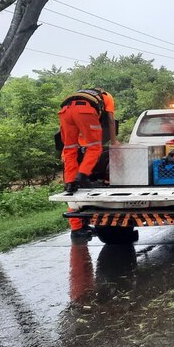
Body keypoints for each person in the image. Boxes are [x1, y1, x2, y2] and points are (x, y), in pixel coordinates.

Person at [59, 88, 117, 237]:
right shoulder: (107, 96)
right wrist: (114, 142)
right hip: (83, 111)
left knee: (69, 149)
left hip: (65, 111)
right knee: (95, 147)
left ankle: (71, 183)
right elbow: (110, 119)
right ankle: (82, 176)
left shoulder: (80, 94)